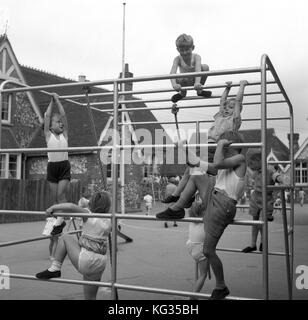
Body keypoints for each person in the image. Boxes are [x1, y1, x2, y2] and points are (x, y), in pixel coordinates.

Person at [157, 131, 247, 299]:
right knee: (196, 173)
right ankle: (178, 207)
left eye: (221, 144)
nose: (217, 147)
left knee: (208, 250)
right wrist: (183, 149)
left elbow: (217, 162)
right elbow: (199, 163)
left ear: (230, 145)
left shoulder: (240, 160)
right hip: (216, 200)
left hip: (223, 204)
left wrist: (220, 145)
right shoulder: (224, 166)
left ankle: (221, 285)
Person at [162, 80, 248, 207]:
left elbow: (238, 102)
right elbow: (221, 101)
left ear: (236, 110)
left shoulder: (233, 120)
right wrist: (227, 88)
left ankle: (186, 197)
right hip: (207, 146)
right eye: (225, 107)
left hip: (216, 149)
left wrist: (241, 86)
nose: (225, 109)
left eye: (230, 108)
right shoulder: (220, 116)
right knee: (189, 170)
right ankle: (176, 195)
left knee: (198, 169)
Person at [36, 191, 112, 300]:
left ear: (92, 203)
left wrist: (52, 207)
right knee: (90, 298)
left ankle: (55, 268)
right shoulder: (110, 219)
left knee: (65, 237)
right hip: (101, 263)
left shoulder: (88, 214)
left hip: (88, 261)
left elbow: (71, 206)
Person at [43, 93, 71, 260]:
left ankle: (60, 221)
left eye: (61, 122)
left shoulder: (65, 135)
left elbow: (65, 116)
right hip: (52, 167)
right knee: (55, 199)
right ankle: (57, 226)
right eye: (57, 122)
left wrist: (59, 101)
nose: (60, 123)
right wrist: (51, 101)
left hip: (63, 166)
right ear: (51, 126)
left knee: (61, 195)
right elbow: (47, 116)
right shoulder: (48, 135)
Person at [242, 149, 285, 253]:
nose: (250, 166)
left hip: (266, 199)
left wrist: (282, 180)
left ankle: (263, 242)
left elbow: (276, 176)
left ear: (259, 160)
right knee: (254, 222)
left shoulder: (268, 169)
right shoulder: (256, 170)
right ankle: (253, 244)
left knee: (261, 222)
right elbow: (250, 173)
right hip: (255, 198)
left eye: (251, 163)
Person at [170, 33, 212, 103]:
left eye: (187, 49)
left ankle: (199, 91)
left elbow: (198, 70)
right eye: (182, 50)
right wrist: (174, 84)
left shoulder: (196, 57)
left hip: (196, 79)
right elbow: (172, 73)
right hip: (184, 81)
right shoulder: (177, 59)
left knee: (205, 67)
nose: (185, 52)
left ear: (192, 48)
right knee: (178, 77)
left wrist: (197, 83)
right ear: (178, 50)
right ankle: (182, 94)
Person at [186, 200, 209, 299]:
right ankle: (193, 297)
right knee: (203, 274)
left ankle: (194, 296)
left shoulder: (192, 219)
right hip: (199, 248)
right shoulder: (206, 220)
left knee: (202, 267)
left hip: (190, 245)